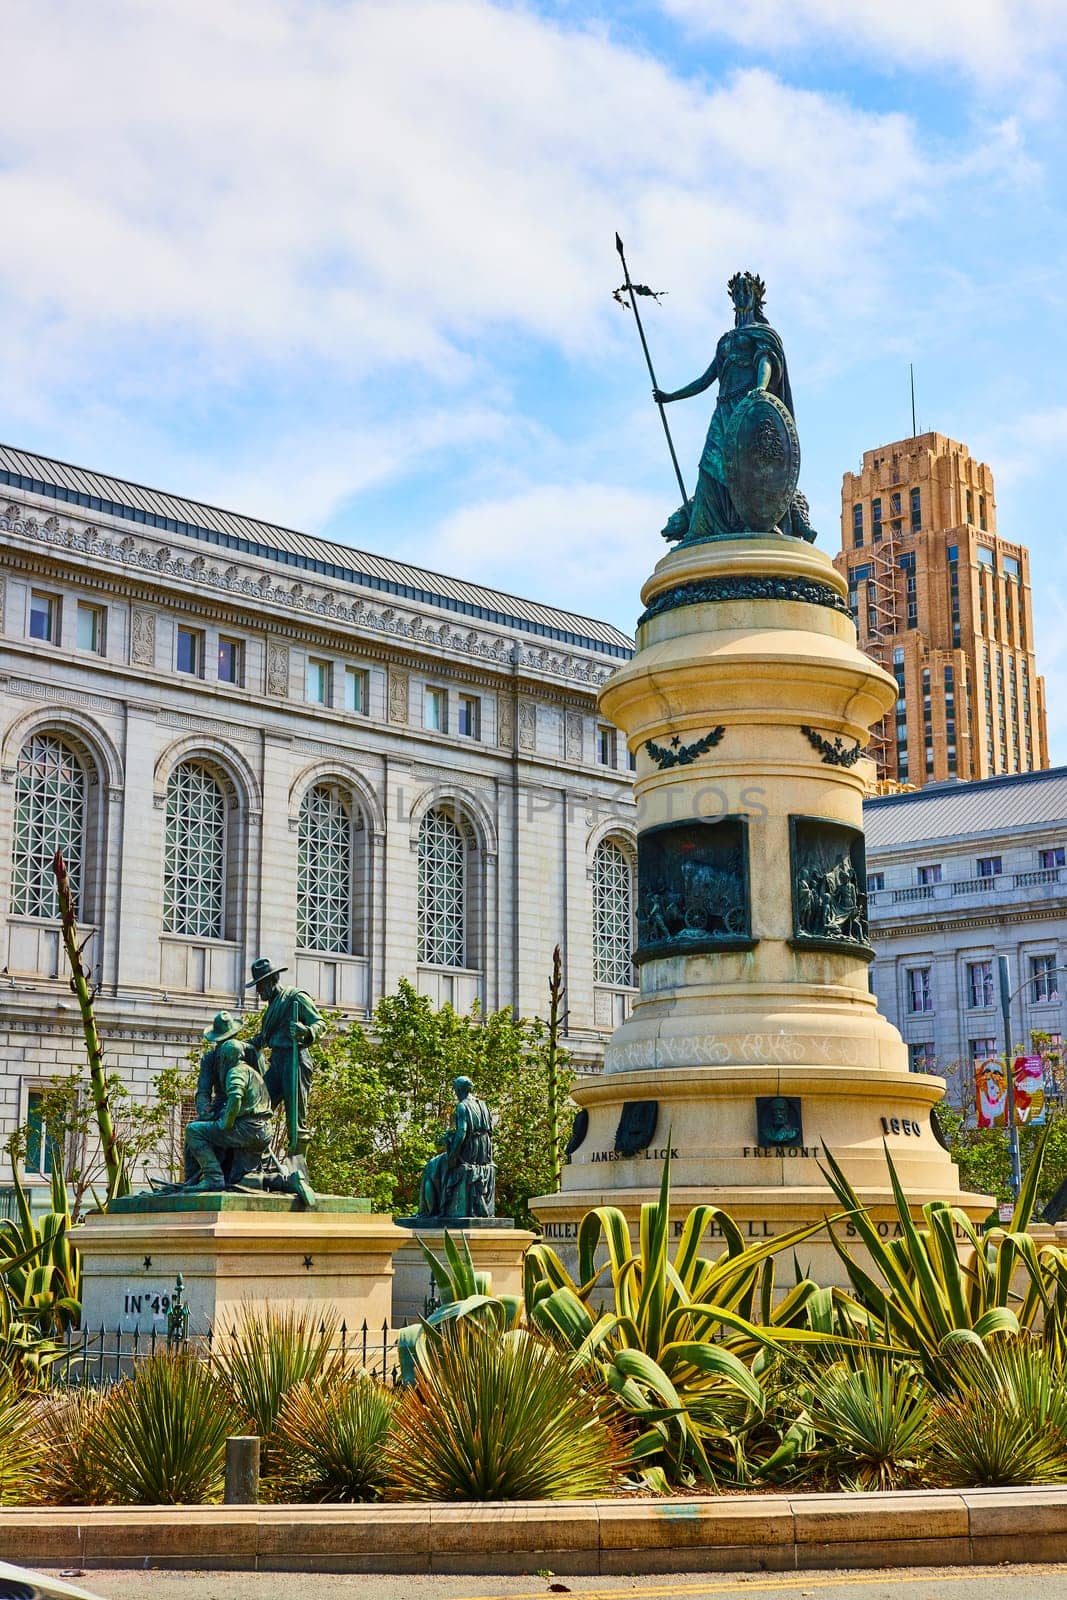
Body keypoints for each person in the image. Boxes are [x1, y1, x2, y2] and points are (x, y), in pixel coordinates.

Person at [653, 271, 816, 545]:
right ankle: (704, 526)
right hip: (723, 410)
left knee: (750, 465)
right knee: (710, 466)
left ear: (755, 297)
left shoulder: (761, 334)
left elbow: (766, 360)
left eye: (746, 291)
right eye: (737, 292)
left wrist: (761, 389)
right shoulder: (725, 341)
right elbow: (706, 379)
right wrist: (671, 397)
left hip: (749, 409)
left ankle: (754, 520)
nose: (742, 296)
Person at [245, 957, 324, 1160]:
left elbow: (319, 1023)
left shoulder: (295, 998)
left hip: (295, 1059)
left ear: (272, 981)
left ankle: (297, 1162)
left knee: (296, 1116)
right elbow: (264, 1038)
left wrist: (305, 1031)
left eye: (261, 985)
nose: (258, 991)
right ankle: (256, 1157)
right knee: (258, 1108)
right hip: (278, 1061)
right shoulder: (270, 1009)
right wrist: (244, 1046)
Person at [184, 1039, 273, 1191]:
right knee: (238, 1181)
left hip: (244, 1128)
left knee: (193, 1131)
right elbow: (203, 1091)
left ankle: (213, 1178)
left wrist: (226, 1122)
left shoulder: (235, 1072)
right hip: (263, 1130)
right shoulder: (252, 1072)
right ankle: (287, 1181)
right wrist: (206, 1111)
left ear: (225, 1058)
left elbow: (235, 1098)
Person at [183, 1010, 259, 1183]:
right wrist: (204, 1110)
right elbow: (203, 1090)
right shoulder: (209, 1059)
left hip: (245, 1109)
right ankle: (192, 1182)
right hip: (219, 1105)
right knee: (193, 1134)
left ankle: (217, 1177)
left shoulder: (245, 1053)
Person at [416, 1076, 495, 1220]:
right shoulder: (483, 1105)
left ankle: (429, 1211)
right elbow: (489, 1131)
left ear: (458, 1090)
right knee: (439, 1165)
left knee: (431, 1167)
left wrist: (452, 1155)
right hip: (483, 1154)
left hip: (468, 1154)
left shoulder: (462, 1106)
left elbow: (462, 1132)